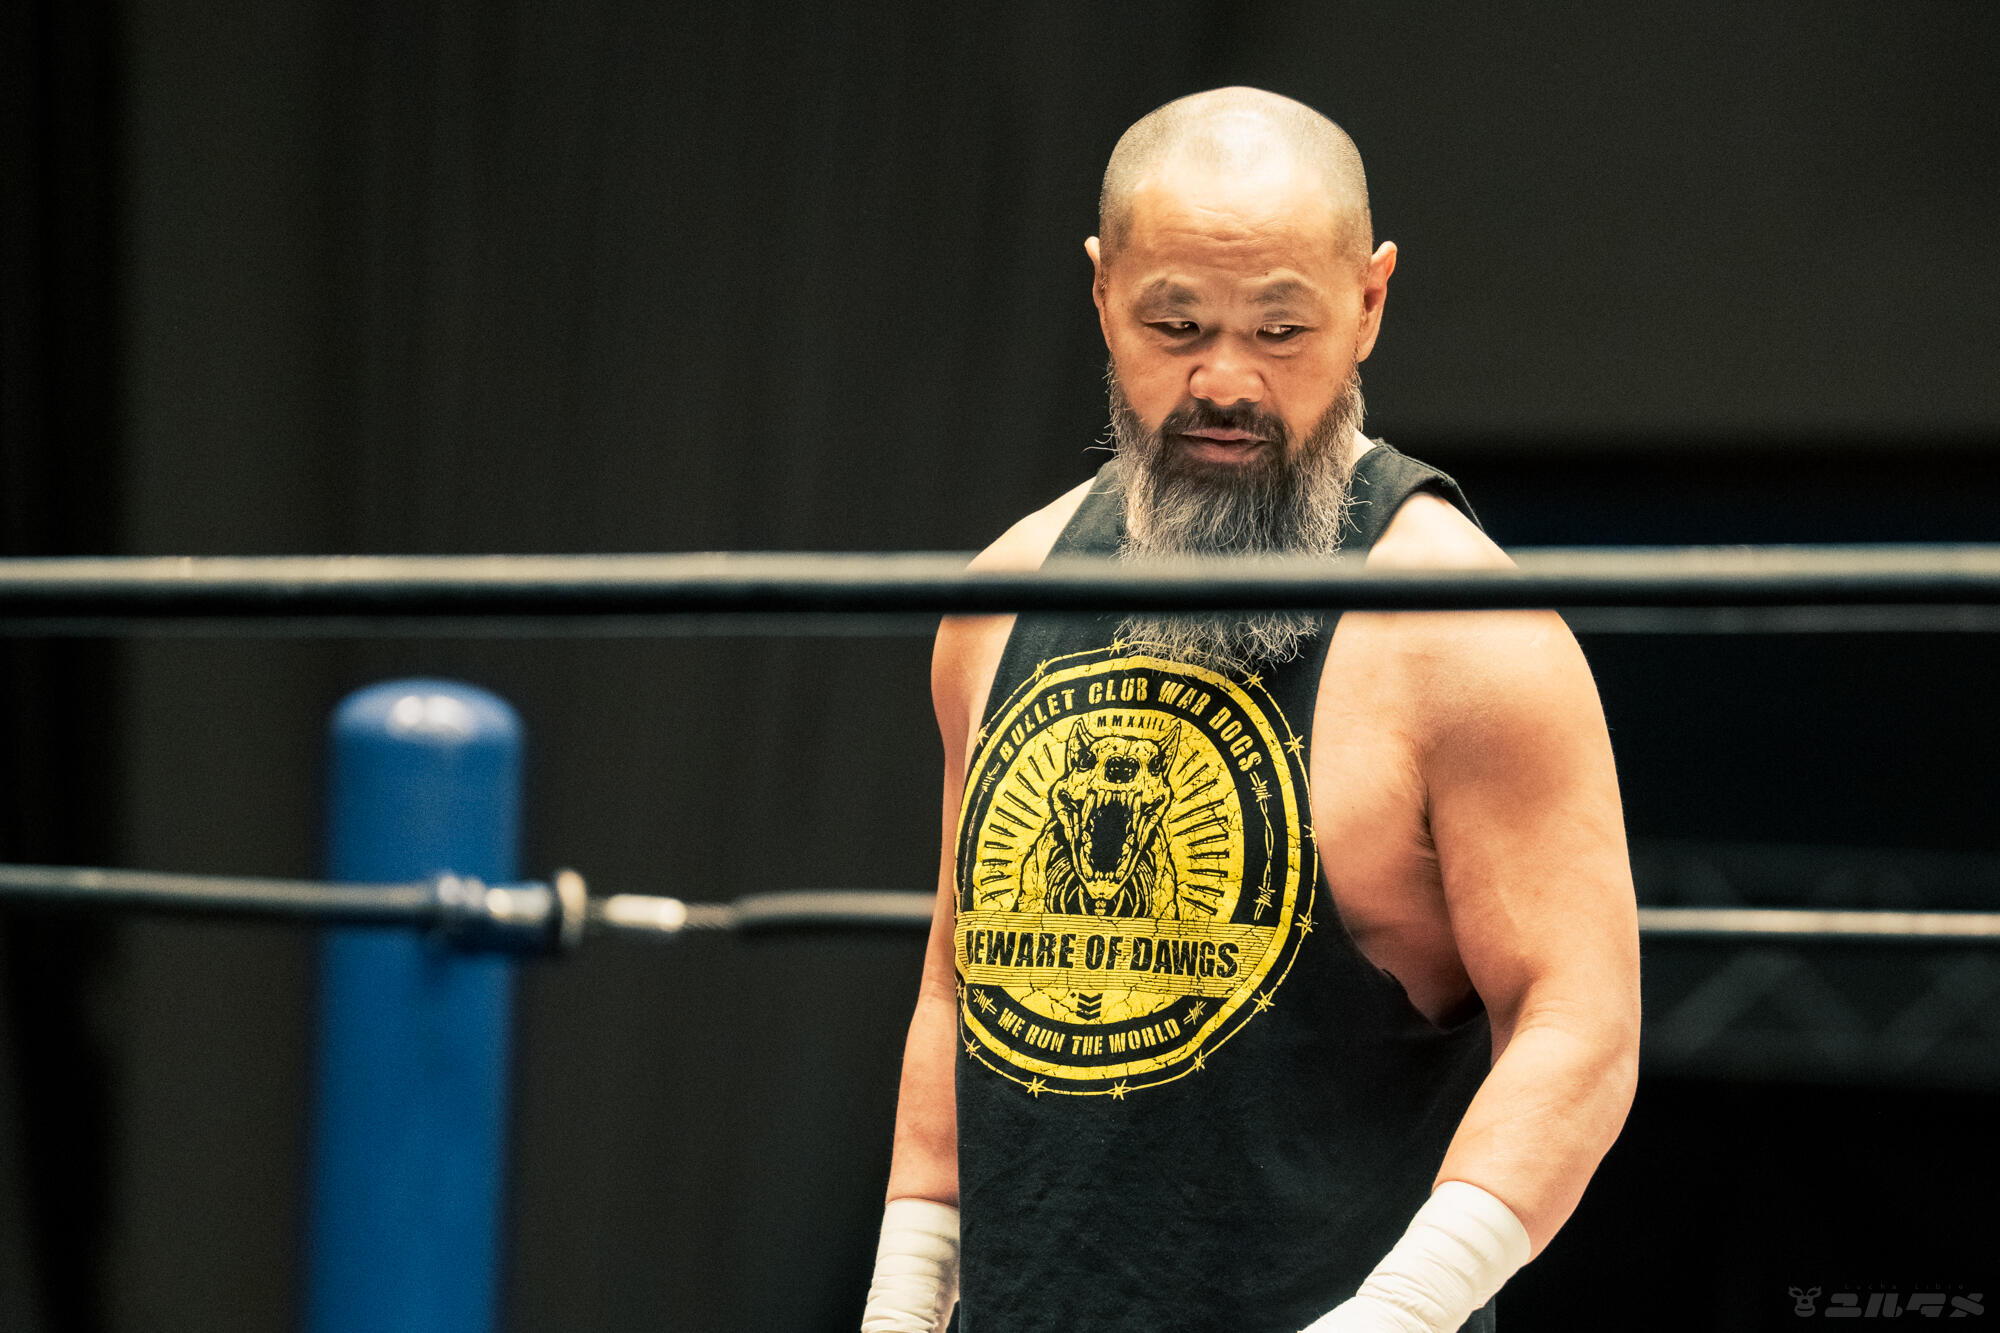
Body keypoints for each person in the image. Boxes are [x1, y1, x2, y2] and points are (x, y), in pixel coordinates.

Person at [862, 87, 1640, 1333]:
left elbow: (1578, 1025)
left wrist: (1395, 1316)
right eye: (1175, 324)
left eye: (1280, 329)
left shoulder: (1463, 630)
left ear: (1368, 303)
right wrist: (900, 1307)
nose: (1223, 380)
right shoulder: (1001, 595)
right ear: (1101, 291)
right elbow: (962, 987)